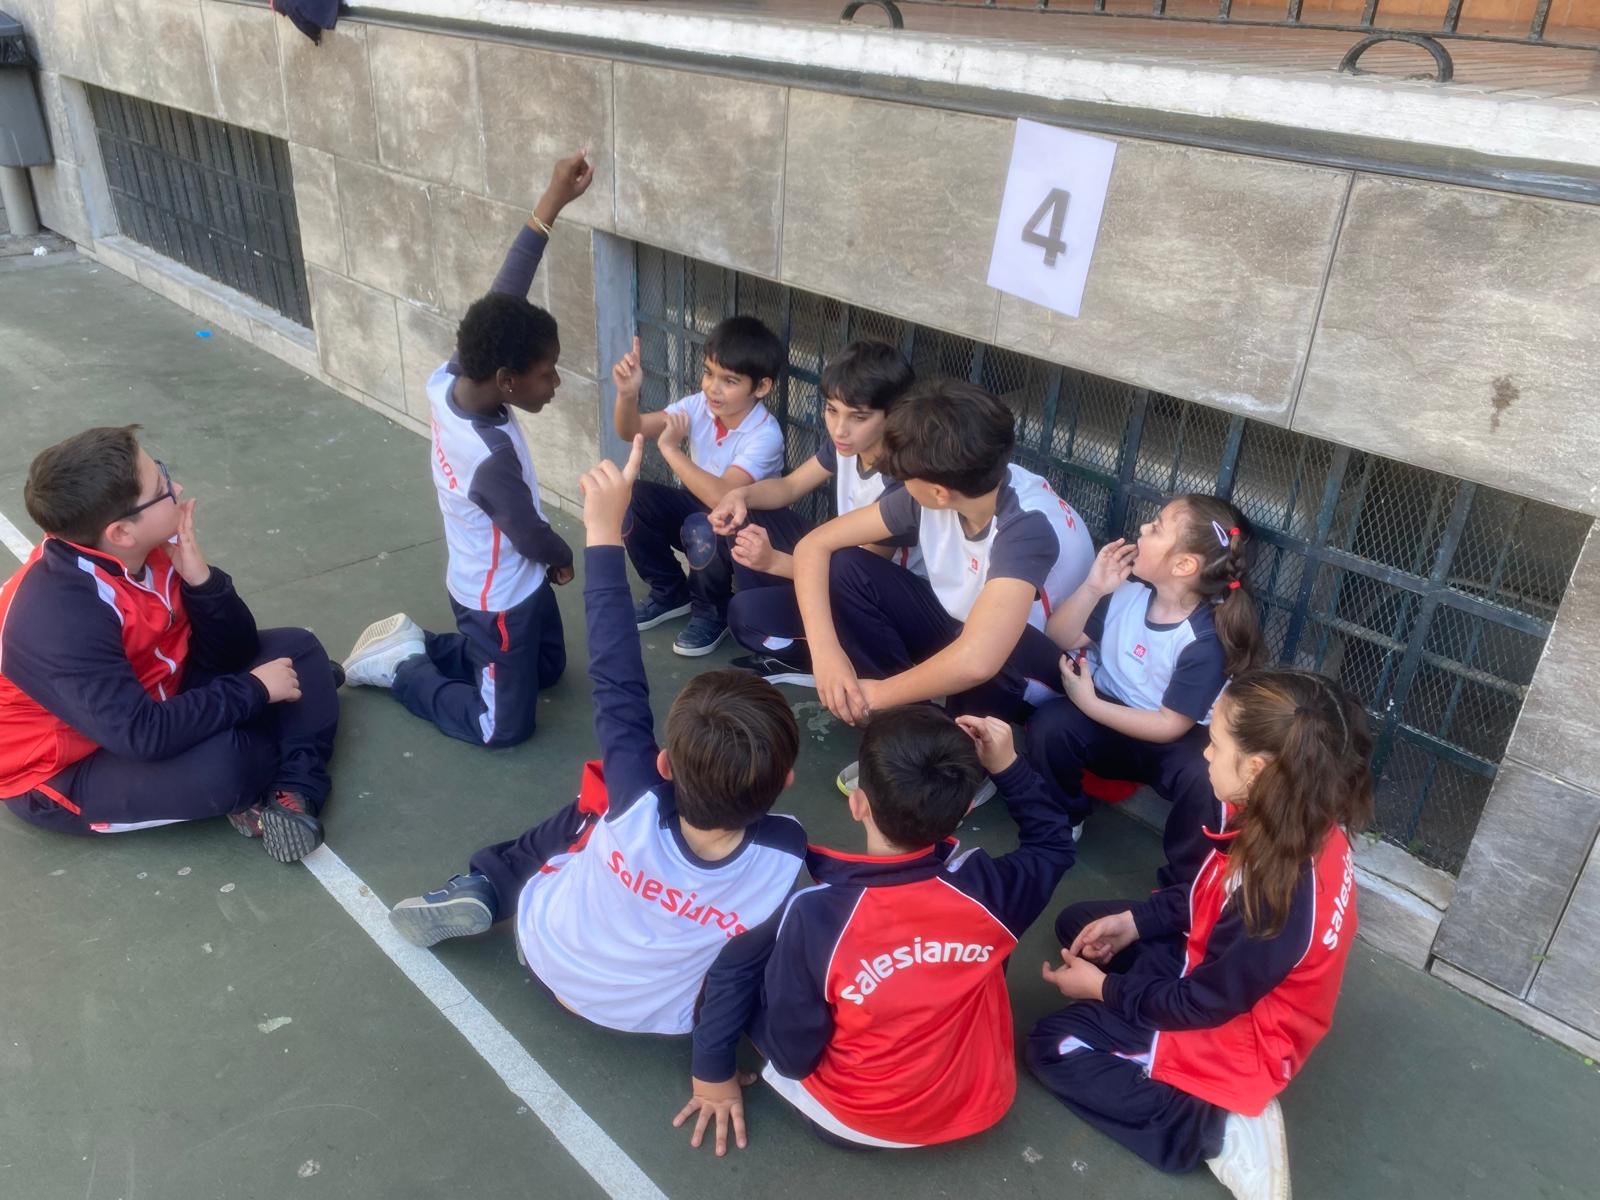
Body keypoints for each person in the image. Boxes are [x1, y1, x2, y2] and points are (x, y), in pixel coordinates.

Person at [388, 437, 809, 1042]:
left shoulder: (635, 794)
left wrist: (603, 531)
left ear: (664, 765)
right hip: (658, 1018)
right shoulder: (787, 852)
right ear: (785, 781)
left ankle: (489, 881)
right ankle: (495, 883)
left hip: (547, 955)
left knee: (597, 803)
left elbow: (616, 675)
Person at [1027, 668, 1372, 1200]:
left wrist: (1104, 990)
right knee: (1080, 926)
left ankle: (1206, 1125)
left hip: (1239, 1033)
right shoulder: (1291, 813)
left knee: (1052, 1044)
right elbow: (1208, 894)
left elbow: (1203, 1004)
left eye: (1215, 743)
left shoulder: (1274, 891)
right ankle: (1137, 1006)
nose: (1205, 754)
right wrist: (1135, 923)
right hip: (1222, 971)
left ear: (1256, 768)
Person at [677, 705, 1075, 1154]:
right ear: (966, 808)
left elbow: (792, 1057)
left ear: (858, 803)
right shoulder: (994, 890)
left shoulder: (815, 914)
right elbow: (1054, 843)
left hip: (853, 1120)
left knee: (734, 968)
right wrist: (1009, 767)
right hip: (977, 1099)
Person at [338, 152, 593, 748]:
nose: (555, 384)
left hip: (522, 586)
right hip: (495, 601)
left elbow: (508, 288)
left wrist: (553, 198)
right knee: (501, 727)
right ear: (507, 379)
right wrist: (561, 556)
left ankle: (431, 646)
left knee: (548, 671)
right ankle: (403, 667)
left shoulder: (454, 376)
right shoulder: (490, 457)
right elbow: (530, 535)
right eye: (547, 374)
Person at [0, 426, 338, 862]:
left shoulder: (142, 551)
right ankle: (289, 742)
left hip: (154, 693)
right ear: (121, 532)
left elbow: (234, 649)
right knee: (230, 765)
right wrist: (254, 692)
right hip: (64, 768)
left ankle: (293, 792)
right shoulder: (57, 620)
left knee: (298, 649)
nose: (176, 487)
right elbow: (142, 735)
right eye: (161, 487)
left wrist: (202, 582)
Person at [791, 379, 1094, 788]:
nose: (899, 483)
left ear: (937, 492)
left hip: (1038, 671)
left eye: (904, 478)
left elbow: (979, 659)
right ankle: (909, 734)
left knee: (997, 643)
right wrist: (827, 656)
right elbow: (814, 546)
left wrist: (873, 694)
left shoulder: (1026, 526)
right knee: (848, 567)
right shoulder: (957, 485)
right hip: (966, 631)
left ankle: (960, 765)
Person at [1028, 495, 1266, 882]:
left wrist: (1088, 703)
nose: (1142, 529)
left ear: (1184, 565)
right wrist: (1093, 587)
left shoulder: (1204, 637)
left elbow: (1170, 725)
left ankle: (1184, 878)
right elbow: (1060, 637)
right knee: (1050, 725)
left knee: (1204, 777)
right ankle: (1062, 820)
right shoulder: (1127, 593)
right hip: (1110, 719)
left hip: (1170, 742)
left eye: (1156, 528)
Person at [710, 340, 918, 686]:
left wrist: (773, 562)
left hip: (882, 601)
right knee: (749, 514)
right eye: (832, 410)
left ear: (894, 415)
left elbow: (856, 575)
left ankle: (818, 654)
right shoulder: (847, 446)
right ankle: (798, 639)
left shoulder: (905, 483)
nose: (839, 428)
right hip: (836, 566)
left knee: (746, 616)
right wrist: (740, 495)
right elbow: (789, 487)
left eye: (859, 417)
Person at [611, 317, 786, 656]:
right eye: (709, 373)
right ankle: (669, 592)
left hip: (743, 528)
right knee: (630, 497)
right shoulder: (699, 406)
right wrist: (627, 395)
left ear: (761, 387)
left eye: (729, 381)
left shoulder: (765, 434)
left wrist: (670, 450)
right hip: (701, 512)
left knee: (704, 524)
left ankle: (712, 610)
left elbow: (724, 498)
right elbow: (630, 429)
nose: (713, 388)